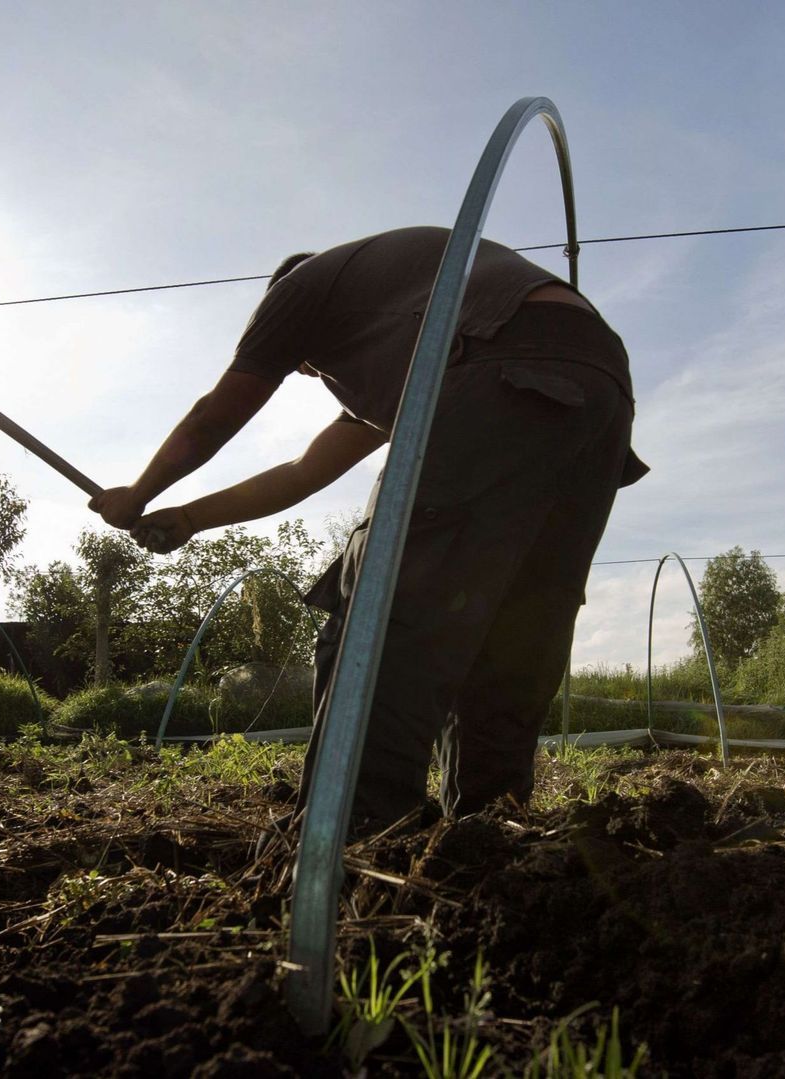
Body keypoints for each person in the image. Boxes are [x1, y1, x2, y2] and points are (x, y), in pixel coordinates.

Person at [91, 226, 646, 828]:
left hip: (498, 364)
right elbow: (307, 470)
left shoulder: (299, 288)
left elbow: (213, 417)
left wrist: (139, 493)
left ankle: (359, 826)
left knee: (380, 602)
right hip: (598, 382)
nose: (307, 374)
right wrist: (191, 517)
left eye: (301, 364)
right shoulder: (415, 342)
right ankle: (488, 828)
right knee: (519, 622)